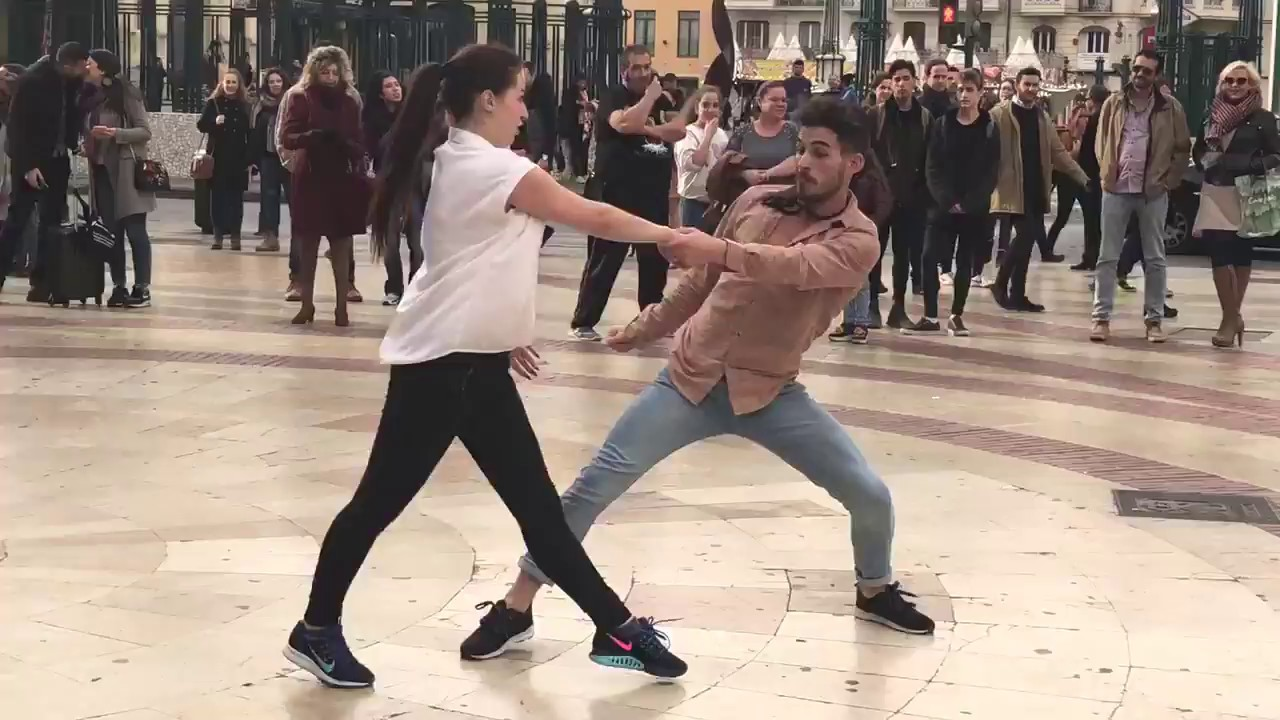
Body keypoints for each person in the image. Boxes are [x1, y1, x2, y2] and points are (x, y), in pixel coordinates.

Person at [458, 98, 936, 667]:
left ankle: (875, 588)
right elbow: (698, 284)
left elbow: (789, 268)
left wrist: (715, 245)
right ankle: (517, 606)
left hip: (769, 392)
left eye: (820, 152)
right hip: (688, 378)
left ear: (853, 164)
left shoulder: (857, 239)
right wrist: (643, 329)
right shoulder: (756, 201)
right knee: (591, 488)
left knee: (869, 494)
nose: (804, 161)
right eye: (801, 148)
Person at [289, 43, 693, 690]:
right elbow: (592, 214)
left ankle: (617, 629)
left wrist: (503, 334)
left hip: (475, 364)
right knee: (377, 504)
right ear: (487, 101)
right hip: (441, 369)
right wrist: (675, 237)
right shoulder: (486, 165)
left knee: (539, 513)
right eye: (519, 95)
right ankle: (315, 630)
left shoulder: (467, 161)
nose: (523, 108)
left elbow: (480, 260)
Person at [567, 44, 683, 341]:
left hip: (652, 191)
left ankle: (651, 317)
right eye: (637, 68)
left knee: (654, 257)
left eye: (647, 66)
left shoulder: (664, 99)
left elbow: (678, 130)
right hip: (616, 191)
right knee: (606, 257)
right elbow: (625, 123)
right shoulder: (613, 96)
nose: (644, 73)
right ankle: (584, 321)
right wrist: (650, 99)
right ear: (625, 70)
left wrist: (649, 129)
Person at [1089, 49, 1191, 343]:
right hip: (1116, 189)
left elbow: (1182, 149)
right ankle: (1101, 318)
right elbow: (1102, 141)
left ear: (1156, 75)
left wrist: (1167, 181)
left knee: (1155, 258)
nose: (1139, 75)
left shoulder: (1170, 108)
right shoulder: (1113, 103)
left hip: (1152, 193)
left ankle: (1154, 320)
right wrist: (1106, 171)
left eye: (1147, 71)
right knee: (1107, 257)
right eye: (1136, 69)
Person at [278, 46, 367, 328]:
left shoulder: (350, 101)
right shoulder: (300, 98)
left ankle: (342, 307)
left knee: (341, 245)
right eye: (325, 72)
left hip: (340, 177)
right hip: (311, 176)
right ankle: (307, 305)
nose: (330, 77)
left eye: (334, 72)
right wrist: (310, 136)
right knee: (308, 244)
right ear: (315, 72)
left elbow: (359, 142)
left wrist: (346, 144)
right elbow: (287, 136)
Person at [988, 67, 1087, 313]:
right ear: (1017, 85)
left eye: (1035, 85)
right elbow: (985, 150)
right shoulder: (1000, 114)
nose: (1031, 89)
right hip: (1011, 187)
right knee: (1025, 236)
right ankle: (1000, 285)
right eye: (1027, 84)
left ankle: (1018, 294)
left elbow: (1058, 152)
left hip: (1035, 187)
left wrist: (1083, 177)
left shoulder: (1041, 117)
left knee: (1028, 239)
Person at [1193, 61, 1276, 349]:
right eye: (1230, 80)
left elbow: (1275, 155)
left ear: (1252, 85)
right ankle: (1232, 316)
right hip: (1215, 189)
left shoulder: (1263, 118)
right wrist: (1203, 160)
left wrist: (1247, 165)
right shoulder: (1211, 114)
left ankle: (1230, 320)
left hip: (1245, 190)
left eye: (1242, 81)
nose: (1235, 85)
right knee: (1218, 253)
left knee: (1240, 252)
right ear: (1222, 84)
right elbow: (1201, 147)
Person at [909, 68, 998, 336]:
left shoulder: (990, 127)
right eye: (960, 90)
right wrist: (946, 199)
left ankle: (957, 315)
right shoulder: (943, 123)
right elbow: (932, 165)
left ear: (981, 93)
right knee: (928, 257)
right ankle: (930, 315)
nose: (964, 95)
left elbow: (991, 171)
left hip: (974, 208)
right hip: (942, 205)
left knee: (965, 262)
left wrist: (970, 202)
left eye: (970, 89)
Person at [0, 42, 88, 301]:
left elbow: (71, 116)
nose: (86, 70)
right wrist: (28, 166)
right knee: (18, 220)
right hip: (32, 162)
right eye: (82, 66)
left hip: (58, 160)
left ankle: (43, 283)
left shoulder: (71, 83)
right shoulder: (34, 82)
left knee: (51, 224)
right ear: (68, 64)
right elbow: (17, 129)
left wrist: (74, 142)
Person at [82, 49, 156, 309]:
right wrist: (88, 144)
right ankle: (119, 285)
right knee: (110, 233)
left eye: (89, 64)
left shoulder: (127, 93)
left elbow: (144, 131)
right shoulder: (90, 97)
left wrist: (115, 133)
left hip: (127, 172)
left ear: (102, 69)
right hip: (101, 171)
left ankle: (142, 288)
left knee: (135, 231)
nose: (85, 67)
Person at [866, 59, 932, 330]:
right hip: (880, 197)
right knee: (874, 252)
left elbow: (930, 157)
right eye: (896, 80)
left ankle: (898, 306)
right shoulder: (876, 115)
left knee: (904, 255)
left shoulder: (925, 117)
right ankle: (871, 306)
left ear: (915, 81)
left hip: (912, 198)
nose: (901, 84)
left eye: (906, 78)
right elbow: (865, 154)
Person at [362, 70, 409, 305]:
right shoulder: (372, 120)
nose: (396, 89)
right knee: (390, 240)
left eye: (397, 84)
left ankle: (415, 290)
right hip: (386, 182)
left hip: (412, 182)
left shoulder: (412, 114)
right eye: (389, 86)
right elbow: (374, 150)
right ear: (380, 94)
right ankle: (394, 288)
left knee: (417, 241)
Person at [197, 69, 252, 251]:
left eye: (233, 82)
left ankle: (235, 236)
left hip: (238, 158)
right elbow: (202, 125)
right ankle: (218, 235)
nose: (230, 86)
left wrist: (250, 158)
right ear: (222, 84)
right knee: (217, 198)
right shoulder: (213, 103)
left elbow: (250, 132)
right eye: (227, 82)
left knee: (236, 199)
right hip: (217, 156)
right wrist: (215, 123)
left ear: (239, 85)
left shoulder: (245, 105)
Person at [674, 85, 728, 229]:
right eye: (705, 105)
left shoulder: (722, 135)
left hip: (715, 202)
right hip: (693, 202)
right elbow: (695, 164)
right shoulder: (687, 133)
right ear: (697, 108)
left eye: (715, 105)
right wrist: (708, 135)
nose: (711, 110)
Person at [1068, 85, 1108, 272]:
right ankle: (1091, 257)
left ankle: (1091, 257)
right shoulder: (1104, 119)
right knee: (1095, 220)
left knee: (1092, 220)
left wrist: (1082, 176)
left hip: (1091, 176)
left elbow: (1087, 152)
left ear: (1092, 100)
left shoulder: (1095, 120)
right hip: (1098, 176)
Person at [728, 81, 800, 184]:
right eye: (774, 100)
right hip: (748, 196)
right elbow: (728, 167)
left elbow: (802, 161)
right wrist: (744, 175)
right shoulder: (742, 132)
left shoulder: (792, 130)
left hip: (784, 195)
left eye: (783, 100)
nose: (780, 104)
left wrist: (768, 174)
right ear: (759, 102)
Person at [251, 68, 289, 253]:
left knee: (294, 197)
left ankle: (301, 236)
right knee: (269, 197)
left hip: (289, 157)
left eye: (278, 81)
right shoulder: (260, 105)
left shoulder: (292, 102)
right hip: (268, 156)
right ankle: (270, 236)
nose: (275, 85)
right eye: (272, 81)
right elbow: (254, 131)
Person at [558, 78, 591, 181]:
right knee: (575, 149)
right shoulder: (571, 94)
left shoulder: (583, 93)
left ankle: (578, 171)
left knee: (578, 149)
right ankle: (577, 172)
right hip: (573, 125)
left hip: (581, 124)